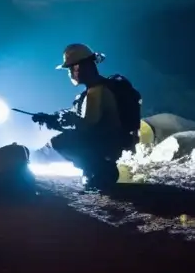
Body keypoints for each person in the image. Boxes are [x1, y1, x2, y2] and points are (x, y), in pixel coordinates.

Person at [31, 43, 141, 190]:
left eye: (70, 68)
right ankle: (95, 169)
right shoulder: (99, 88)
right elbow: (79, 116)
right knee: (68, 139)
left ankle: (99, 170)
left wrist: (60, 122)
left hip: (107, 141)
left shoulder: (96, 91)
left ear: (79, 68)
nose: (70, 73)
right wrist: (52, 118)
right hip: (113, 139)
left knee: (60, 142)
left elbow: (87, 125)